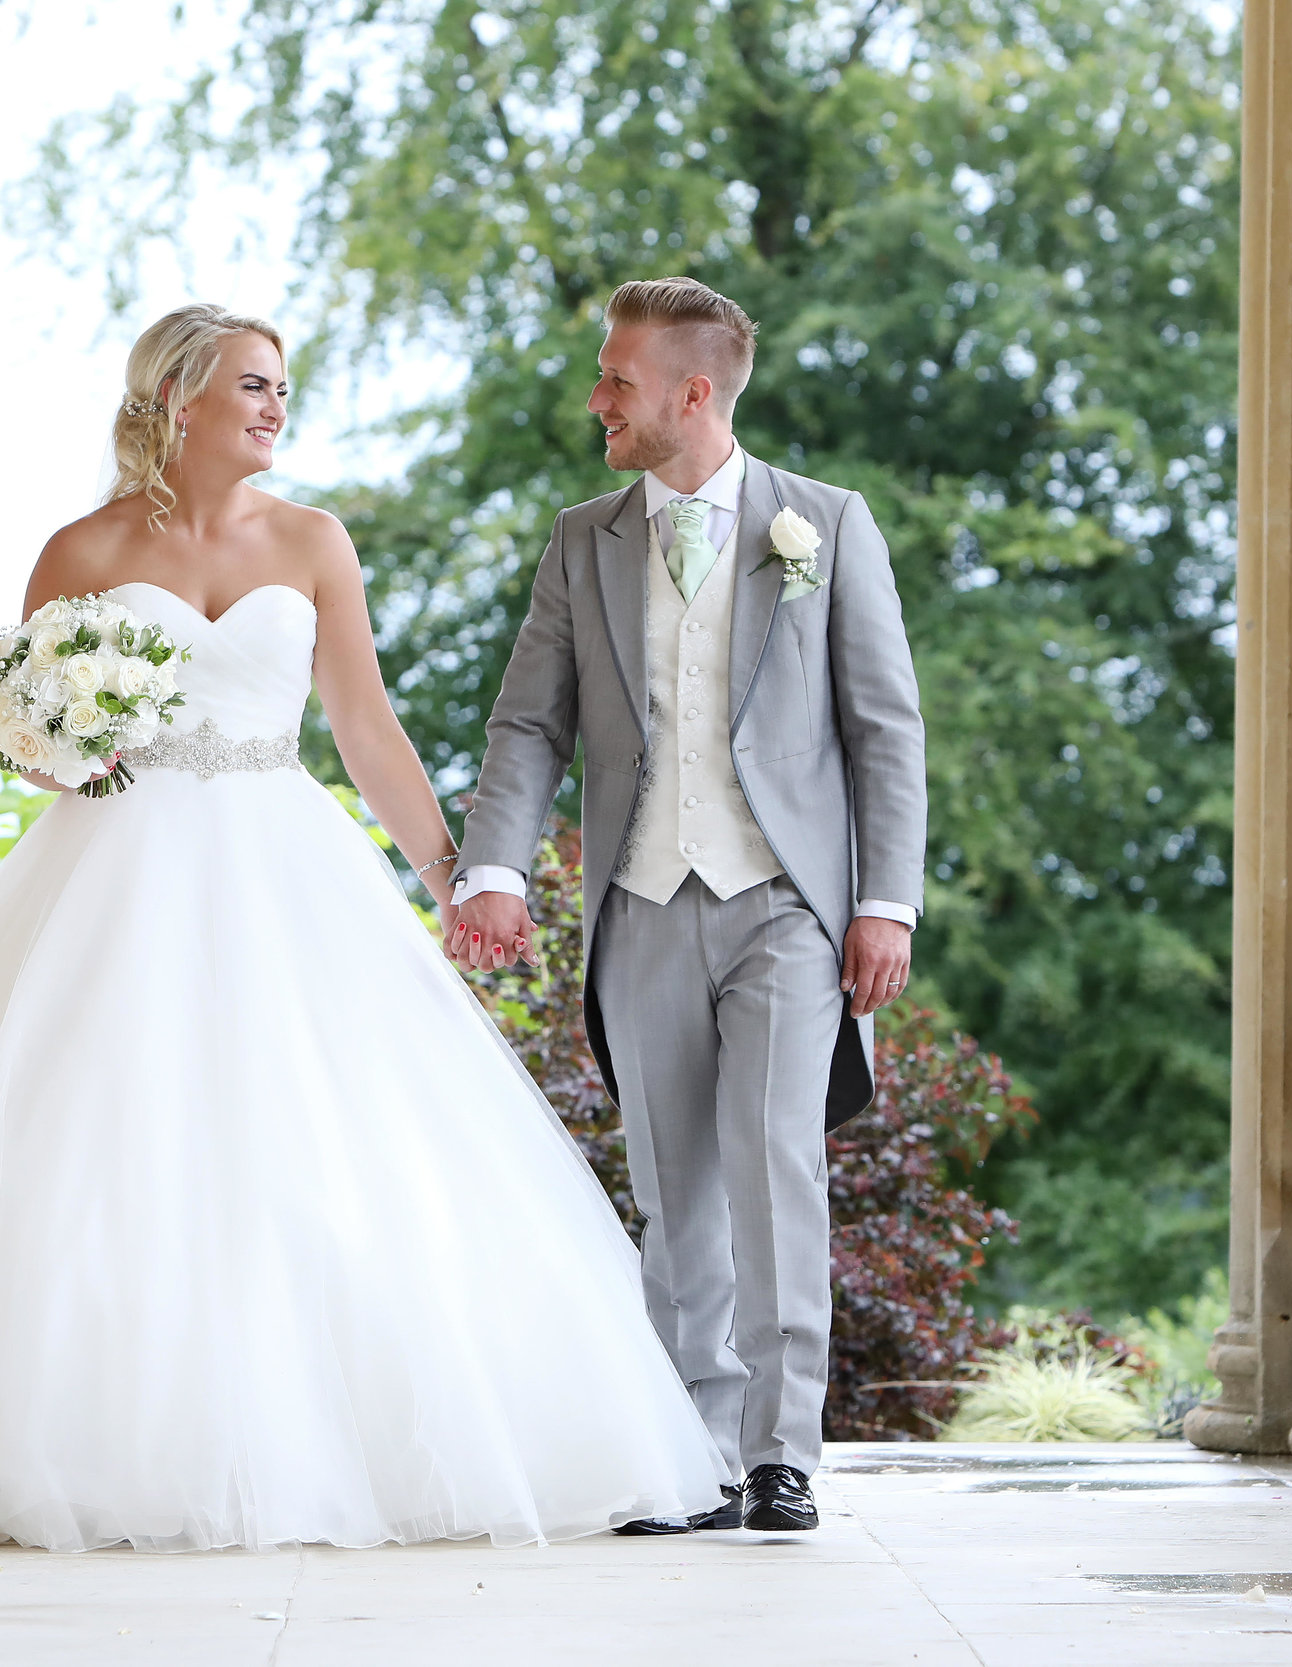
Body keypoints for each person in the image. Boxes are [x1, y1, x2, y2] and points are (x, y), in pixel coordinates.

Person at [0, 303, 727, 1553]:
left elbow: (364, 728)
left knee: (319, 1139)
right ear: (176, 400)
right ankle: (79, 1440)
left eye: (281, 387)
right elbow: (29, 741)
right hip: (117, 868)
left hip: (285, 854)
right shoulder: (79, 548)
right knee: (98, 1144)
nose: (276, 406)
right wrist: (65, 742)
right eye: (251, 385)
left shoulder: (314, 540)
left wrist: (451, 867)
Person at [450, 277, 927, 1535]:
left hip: (786, 904)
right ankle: (694, 1449)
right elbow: (528, 721)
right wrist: (492, 867)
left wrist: (887, 899)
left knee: (774, 1165)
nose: (597, 398)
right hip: (642, 897)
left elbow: (884, 727)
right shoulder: (581, 538)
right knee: (672, 1188)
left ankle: (781, 1453)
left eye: (615, 378)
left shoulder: (825, 524)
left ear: (691, 391)